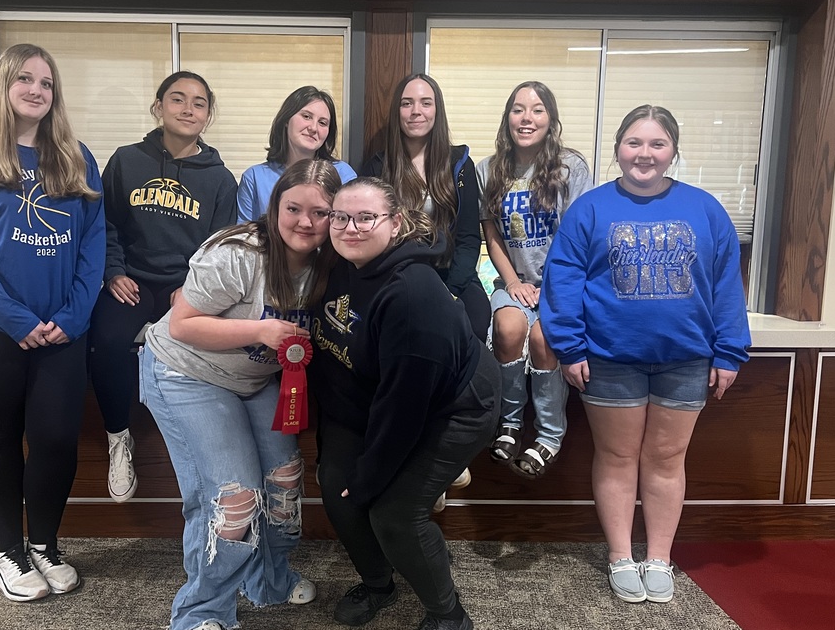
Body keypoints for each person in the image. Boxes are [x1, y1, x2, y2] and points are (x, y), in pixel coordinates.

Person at [540, 105, 751, 604]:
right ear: (618, 148)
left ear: (673, 150)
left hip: (687, 357)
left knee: (666, 459)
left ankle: (659, 556)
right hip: (609, 356)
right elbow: (562, 281)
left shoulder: (706, 209)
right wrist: (569, 347)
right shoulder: (589, 209)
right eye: (634, 142)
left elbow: (726, 285)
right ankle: (620, 556)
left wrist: (729, 353)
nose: (645, 154)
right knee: (616, 458)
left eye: (657, 144)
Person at [139, 159, 341, 630]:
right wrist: (261, 330)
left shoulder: (330, 262)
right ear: (275, 208)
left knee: (284, 482)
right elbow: (183, 322)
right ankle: (201, 607)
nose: (305, 222)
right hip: (186, 371)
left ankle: (268, 581)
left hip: (256, 379)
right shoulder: (237, 253)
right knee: (234, 495)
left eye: (320, 213)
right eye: (294, 208)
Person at [0, 43, 105, 602]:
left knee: (57, 439)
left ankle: (45, 544)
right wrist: (14, 319)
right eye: (25, 79)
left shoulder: (76, 156)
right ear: (3, 86)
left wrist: (74, 314)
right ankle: (9, 552)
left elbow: (93, 244)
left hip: (60, 330)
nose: (37, 90)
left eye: (47, 82)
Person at [310, 177, 500, 630]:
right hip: (377, 398)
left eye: (365, 217)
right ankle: (378, 583)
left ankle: (448, 613)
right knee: (336, 483)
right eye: (340, 216)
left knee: (392, 511)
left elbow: (404, 407)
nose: (350, 227)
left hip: (453, 405)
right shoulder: (338, 261)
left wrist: (372, 475)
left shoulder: (411, 295)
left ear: (395, 224)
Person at [89, 72, 237, 503]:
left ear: (208, 116)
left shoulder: (220, 179)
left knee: (199, 349)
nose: (188, 109)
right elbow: (106, 224)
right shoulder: (125, 160)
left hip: (183, 287)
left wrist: (195, 289)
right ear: (158, 107)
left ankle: (204, 453)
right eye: (178, 99)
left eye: (199, 103)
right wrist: (113, 272)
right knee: (108, 338)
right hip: (131, 281)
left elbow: (219, 248)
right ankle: (119, 438)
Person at [477, 81, 593, 478]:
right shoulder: (488, 169)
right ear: (507, 117)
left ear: (551, 119)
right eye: (518, 109)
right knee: (507, 327)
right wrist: (511, 283)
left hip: (561, 285)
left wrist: (553, 288)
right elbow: (492, 234)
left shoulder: (571, 167)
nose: (527, 118)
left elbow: (576, 236)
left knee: (545, 339)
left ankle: (549, 435)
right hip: (514, 283)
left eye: (538, 109)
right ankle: (510, 424)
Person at [360, 73, 488, 340]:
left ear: (437, 110)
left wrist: (450, 291)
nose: (416, 111)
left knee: (476, 317)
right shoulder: (377, 167)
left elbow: (468, 238)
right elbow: (369, 239)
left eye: (425, 103)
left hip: (450, 274)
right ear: (397, 111)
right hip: (396, 277)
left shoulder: (460, 163)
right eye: (407, 103)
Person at [237, 86, 356, 222]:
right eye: (306, 116)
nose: (313, 128)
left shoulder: (343, 174)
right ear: (287, 120)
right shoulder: (254, 177)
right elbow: (243, 236)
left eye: (322, 123)